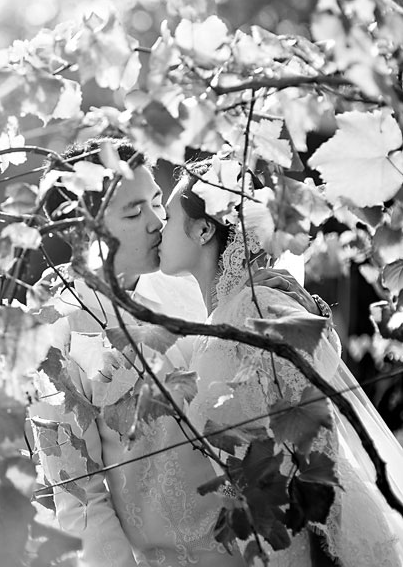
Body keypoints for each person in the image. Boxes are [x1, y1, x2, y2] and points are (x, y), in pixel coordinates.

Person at [29, 138, 324, 567]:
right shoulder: (54, 334)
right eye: (133, 212)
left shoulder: (200, 281)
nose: (157, 220)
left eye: (155, 202)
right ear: (81, 228)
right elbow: (80, 496)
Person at [157, 159, 403, 566]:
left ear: (203, 229)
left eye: (167, 216)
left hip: (307, 540)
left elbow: (315, 438)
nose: (158, 229)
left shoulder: (259, 308)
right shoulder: (219, 322)